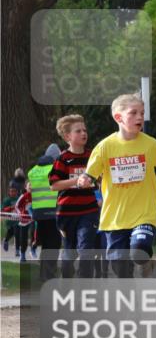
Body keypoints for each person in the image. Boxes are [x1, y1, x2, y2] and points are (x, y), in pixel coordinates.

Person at [78, 94, 156, 279]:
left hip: (144, 214)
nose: (139, 117)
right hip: (115, 217)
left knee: (139, 251)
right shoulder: (105, 147)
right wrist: (85, 179)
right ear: (118, 117)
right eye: (133, 113)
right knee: (119, 268)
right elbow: (90, 173)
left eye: (142, 113)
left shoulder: (151, 144)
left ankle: (144, 265)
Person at [49, 115, 99, 278]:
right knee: (69, 255)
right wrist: (77, 180)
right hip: (66, 213)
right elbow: (54, 185)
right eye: (78, 131)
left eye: (85, 130)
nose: (84, 133)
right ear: (67, 136)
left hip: (89, 210)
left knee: (86, 251)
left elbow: (101, 178)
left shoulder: (93, 156)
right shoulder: (62, 159)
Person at [27, 143, 62, 281]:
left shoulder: (33, 171)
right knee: (53, 245)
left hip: (38, 214)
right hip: (53, 213)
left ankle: (44, 276)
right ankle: (50, 276)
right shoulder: (55, 169)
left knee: (46, 246)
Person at [2, 179, 22, 254]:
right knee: (12, 232)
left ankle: (17, 250)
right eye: (11, 191)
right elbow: (3, 210)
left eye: (14, 191)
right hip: (10, 220)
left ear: (17, 191)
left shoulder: (19, 198)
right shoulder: (7, 200)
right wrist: (11, 208)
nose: (13, 192)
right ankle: (6, 240)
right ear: (9, 192)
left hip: (18, 220)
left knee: (17, 233)